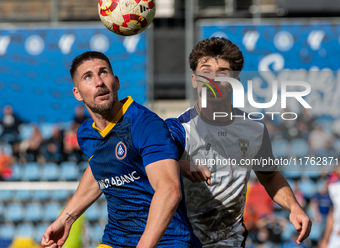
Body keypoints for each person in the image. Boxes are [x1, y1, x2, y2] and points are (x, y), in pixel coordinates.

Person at [41, 51, 201, 248]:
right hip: (116, 239)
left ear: (116, 82)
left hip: (166, 240)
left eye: (104, 73)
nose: (99, 82)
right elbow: (101, 168)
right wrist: (66, 219)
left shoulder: (144, 123)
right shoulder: (86, 134)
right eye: (88, 77)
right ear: (77, 93)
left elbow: (170, 189)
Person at [165, 37, 312, 247]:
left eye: (223, 72)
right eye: (205, 70)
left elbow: (270, 177)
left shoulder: (254, 129)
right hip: (182, 241)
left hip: (230, 242)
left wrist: (294, 207)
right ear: (195, 79)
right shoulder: (176, 129)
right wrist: (178, 164)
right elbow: (145, 168)